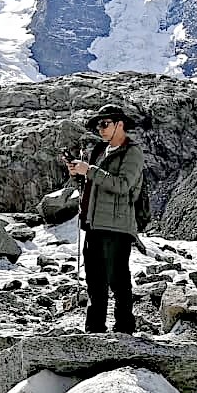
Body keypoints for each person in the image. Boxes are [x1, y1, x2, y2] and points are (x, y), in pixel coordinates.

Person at [66, 103, 144, 334]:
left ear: (120, 124)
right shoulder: (100, 151)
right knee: (94, 280)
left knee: (118, 280)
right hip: (94, 224)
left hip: (117, 226)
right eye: (98, 124)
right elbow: (90, 185)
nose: (100, 128)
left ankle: (124, 328)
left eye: (105, 123)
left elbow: (122, 185)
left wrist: (88, 170)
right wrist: (77, 174)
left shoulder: (132, 152)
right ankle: (95, 328)